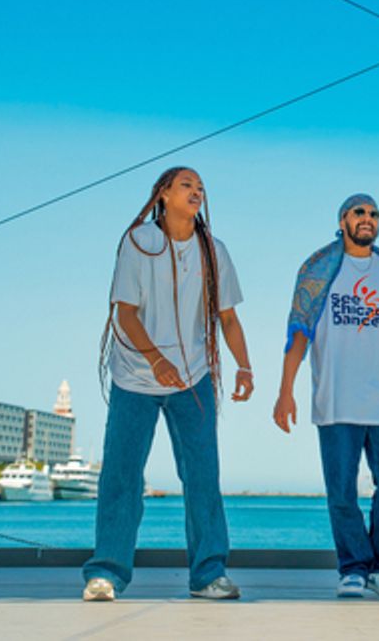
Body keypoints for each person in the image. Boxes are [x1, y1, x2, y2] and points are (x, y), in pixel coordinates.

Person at [81, 167, 254, 602]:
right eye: (186, 185)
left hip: (193, 377)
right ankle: (106, 573)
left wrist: (245, 367)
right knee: (121, 476)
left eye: (201, 187)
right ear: (163, 194)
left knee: (202, 476)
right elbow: (125, 313)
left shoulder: (213, 249)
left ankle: (208, 575)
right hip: (135, 376)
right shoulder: (139, 241)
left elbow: (228, 317)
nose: (196, 192)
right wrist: (155, 359)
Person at [274, 194, 379, 598]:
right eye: (359, 212)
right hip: (336, 401)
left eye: (374, 213)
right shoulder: (318, 271)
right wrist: (285, 391)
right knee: (341, 491)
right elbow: (299, 334)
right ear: (342, 220)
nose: (367, 218)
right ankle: (354, 569)